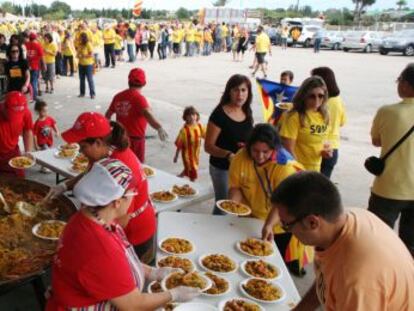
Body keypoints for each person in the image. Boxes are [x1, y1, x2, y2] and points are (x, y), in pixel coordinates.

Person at [46, 158, 201, 311]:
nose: (134, 198)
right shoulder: (100, 246)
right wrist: (173, 295)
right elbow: (134, 305)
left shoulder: (91, 216)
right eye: (133, 194)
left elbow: (115, 267)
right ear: (117, 202)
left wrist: (152, 272)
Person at [263, 172, 414, 310]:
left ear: (312, 223)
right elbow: (326, 279)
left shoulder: (355, 280)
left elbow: (345, 281)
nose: (285, 229)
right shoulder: (344, 220)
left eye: (286, 225)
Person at [51, 112, 158, 264]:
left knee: (124, 276)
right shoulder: (103, 153)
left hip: (133, 233)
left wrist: (89, 237)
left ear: (98, 143)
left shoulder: (122, 169)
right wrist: (65, 185)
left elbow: (122, 219)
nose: (80, 152)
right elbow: (91, 173)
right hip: (112, 223)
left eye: (83, 147)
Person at [229, 124, 312, 276]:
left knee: (269, 268)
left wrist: (268, 225)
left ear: (274, 149)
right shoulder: (240, 157)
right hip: (248, 220)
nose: (259, 156)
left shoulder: (284, 166)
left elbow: (283, 202)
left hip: (277, 224)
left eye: (265, 152)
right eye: (255, 150)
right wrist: (232, 206)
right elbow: (236, 187)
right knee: (244, 264)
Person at [368, 64, 414, 255]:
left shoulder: (388, 111)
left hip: (389, 187)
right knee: (409, 244)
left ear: (406, 84)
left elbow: (377, 141)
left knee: (378, 238)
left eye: (399, 80)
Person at [205, 74, 254, 215]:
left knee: (238, 205)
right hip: (222, 169)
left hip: (242, 167)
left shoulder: (246, 111)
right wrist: (228, 154)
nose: (240, 95)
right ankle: (214, 234)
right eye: (236, 90)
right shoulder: (219, 114)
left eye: (244, 90)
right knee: (224, 205)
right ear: (229, 92)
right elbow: (208, 146)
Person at [105, 68, 168, 163]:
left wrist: (107, 130)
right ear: (144, 83)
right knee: (137, 165)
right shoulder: (139, 99)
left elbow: (108, 114)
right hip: (135, 141)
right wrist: (159, 127)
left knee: (122, 163)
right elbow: (148, 114)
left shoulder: (118, 96)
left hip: (120, 137)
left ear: (128, 81)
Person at [280, 76, 331, 172]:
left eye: (320, 96)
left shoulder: (325, 115)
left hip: (316, 168)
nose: (316, 100)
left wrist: (326, 152)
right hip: (296, 170)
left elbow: (324, 141)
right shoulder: (294, 116)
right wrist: (300, 171)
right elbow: (288, 149)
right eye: (312, 96)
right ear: (304, 95)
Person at [311, 67, 347, 179]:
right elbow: (342, 122)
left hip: (320, 147)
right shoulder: (338, 100)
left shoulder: (320, 103)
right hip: (333, 147)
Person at [0, 91, 33, 177]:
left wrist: (28, 150)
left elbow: (27, 130)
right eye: (12, 114)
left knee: (19, 182)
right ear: (4, 107)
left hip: (13, 153)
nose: (14, 118)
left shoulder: (26, 112)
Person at [174, 106, 205, 182]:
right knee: (193, 170)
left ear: (197, 116)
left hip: (196, 154)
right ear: (185, 117)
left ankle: (180, 176)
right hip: (187, 155)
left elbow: (207, 135)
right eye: (189, 115)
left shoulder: (199, 126)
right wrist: (176, 155)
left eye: (193, 115)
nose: (192, 117)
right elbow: (179, 144)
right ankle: (192, 184)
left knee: (190, 167)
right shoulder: (184, 130)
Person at [33, 100, 59, 173]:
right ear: (38, 112)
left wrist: (57, 132)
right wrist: (36, 145)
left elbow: (54, 124)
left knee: (44, 154)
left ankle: (40, 163)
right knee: (47, 153)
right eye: (44, 111)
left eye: (46, 110)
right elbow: (34, 135)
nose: (46, 112)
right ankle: (44, 167)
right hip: (42, 142)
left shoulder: (49, 118)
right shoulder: (37, 123)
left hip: (48, 140)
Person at [25, 32, 45, 100]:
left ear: (29, 38)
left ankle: (29, 95)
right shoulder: (38, 45)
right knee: (34, 81)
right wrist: (44, 65)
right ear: (35, 38)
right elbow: (42, 56)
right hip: (35, 66)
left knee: (28, 81)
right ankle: (34, 96)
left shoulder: (25, 45)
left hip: (27, 66)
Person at [77, 32, 96, 99]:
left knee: (89, 79)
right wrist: (78, 55)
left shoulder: (88, 44)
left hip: (88, 64)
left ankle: (92, 94)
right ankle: (82, 93)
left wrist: (83, 55)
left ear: (83, 38)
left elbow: (91, 54)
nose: (79, 39)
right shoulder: (80, 45)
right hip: (81, 64)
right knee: (81, 79)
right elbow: (78, 53)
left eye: (80, 38)